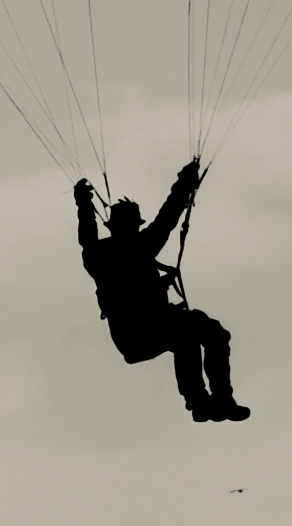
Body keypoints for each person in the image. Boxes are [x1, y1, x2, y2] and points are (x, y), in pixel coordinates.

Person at [77, 160, 246, 419]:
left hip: (138, 334)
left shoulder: (107, 253)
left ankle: (214, 400)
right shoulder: (129, 249)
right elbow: (168, 215)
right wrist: (185, 183)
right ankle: (205, 401)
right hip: (139, 332)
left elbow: (167, 216)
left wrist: (83, 205)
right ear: (131, 226)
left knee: (205, 334)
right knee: (194, 336)